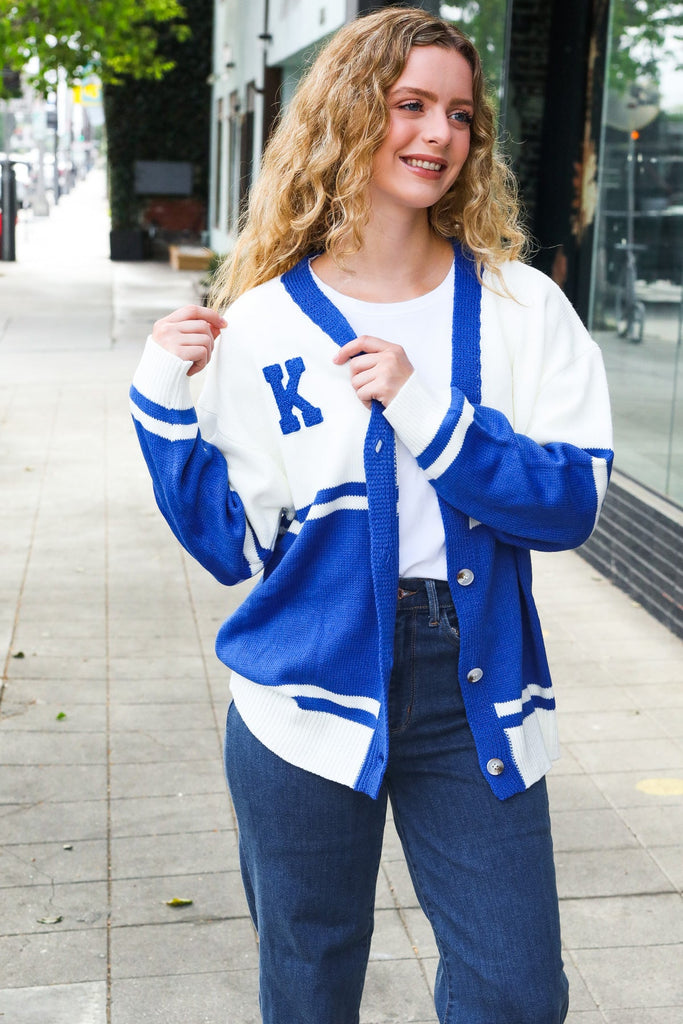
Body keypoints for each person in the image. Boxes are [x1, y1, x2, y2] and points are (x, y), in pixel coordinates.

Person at [130, 7, 613, 1023]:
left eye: (459, 115)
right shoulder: (261, 323)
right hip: (301, 686)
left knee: (514, 988)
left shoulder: (522, 308)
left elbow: (568, 502)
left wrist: (427, 407)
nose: (438, 134)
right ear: (351, 115)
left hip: (467, 684)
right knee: (308, 983)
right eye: (409, 106)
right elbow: (231, 545)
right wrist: (161, 403)